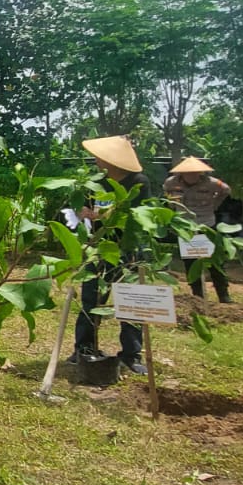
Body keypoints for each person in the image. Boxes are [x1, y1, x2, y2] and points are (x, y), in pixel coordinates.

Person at [72, 135, 153, 375]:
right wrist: (82, 212)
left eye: (101, 158)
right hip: (97, 248)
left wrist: (103, 216)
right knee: (90, 299)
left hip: (127, 249)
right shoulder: (97, 182)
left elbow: (136, 215)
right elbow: (83, 209)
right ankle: (83, 348)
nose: (96, 161)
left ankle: (131, 354)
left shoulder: (139, 182)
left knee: (130, 301)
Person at [165, 156, 232, 303]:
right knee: (191, 262)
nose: (192, 175)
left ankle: (223, 294)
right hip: (185, 227)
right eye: (189, 173)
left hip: (206, 224)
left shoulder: (212, 183)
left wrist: (214, 204)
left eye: (196, 172)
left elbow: (226, 190)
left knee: (215, 261)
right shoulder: (171, 183)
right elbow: (167, 195)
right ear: (182, 173)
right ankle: (198, 296)